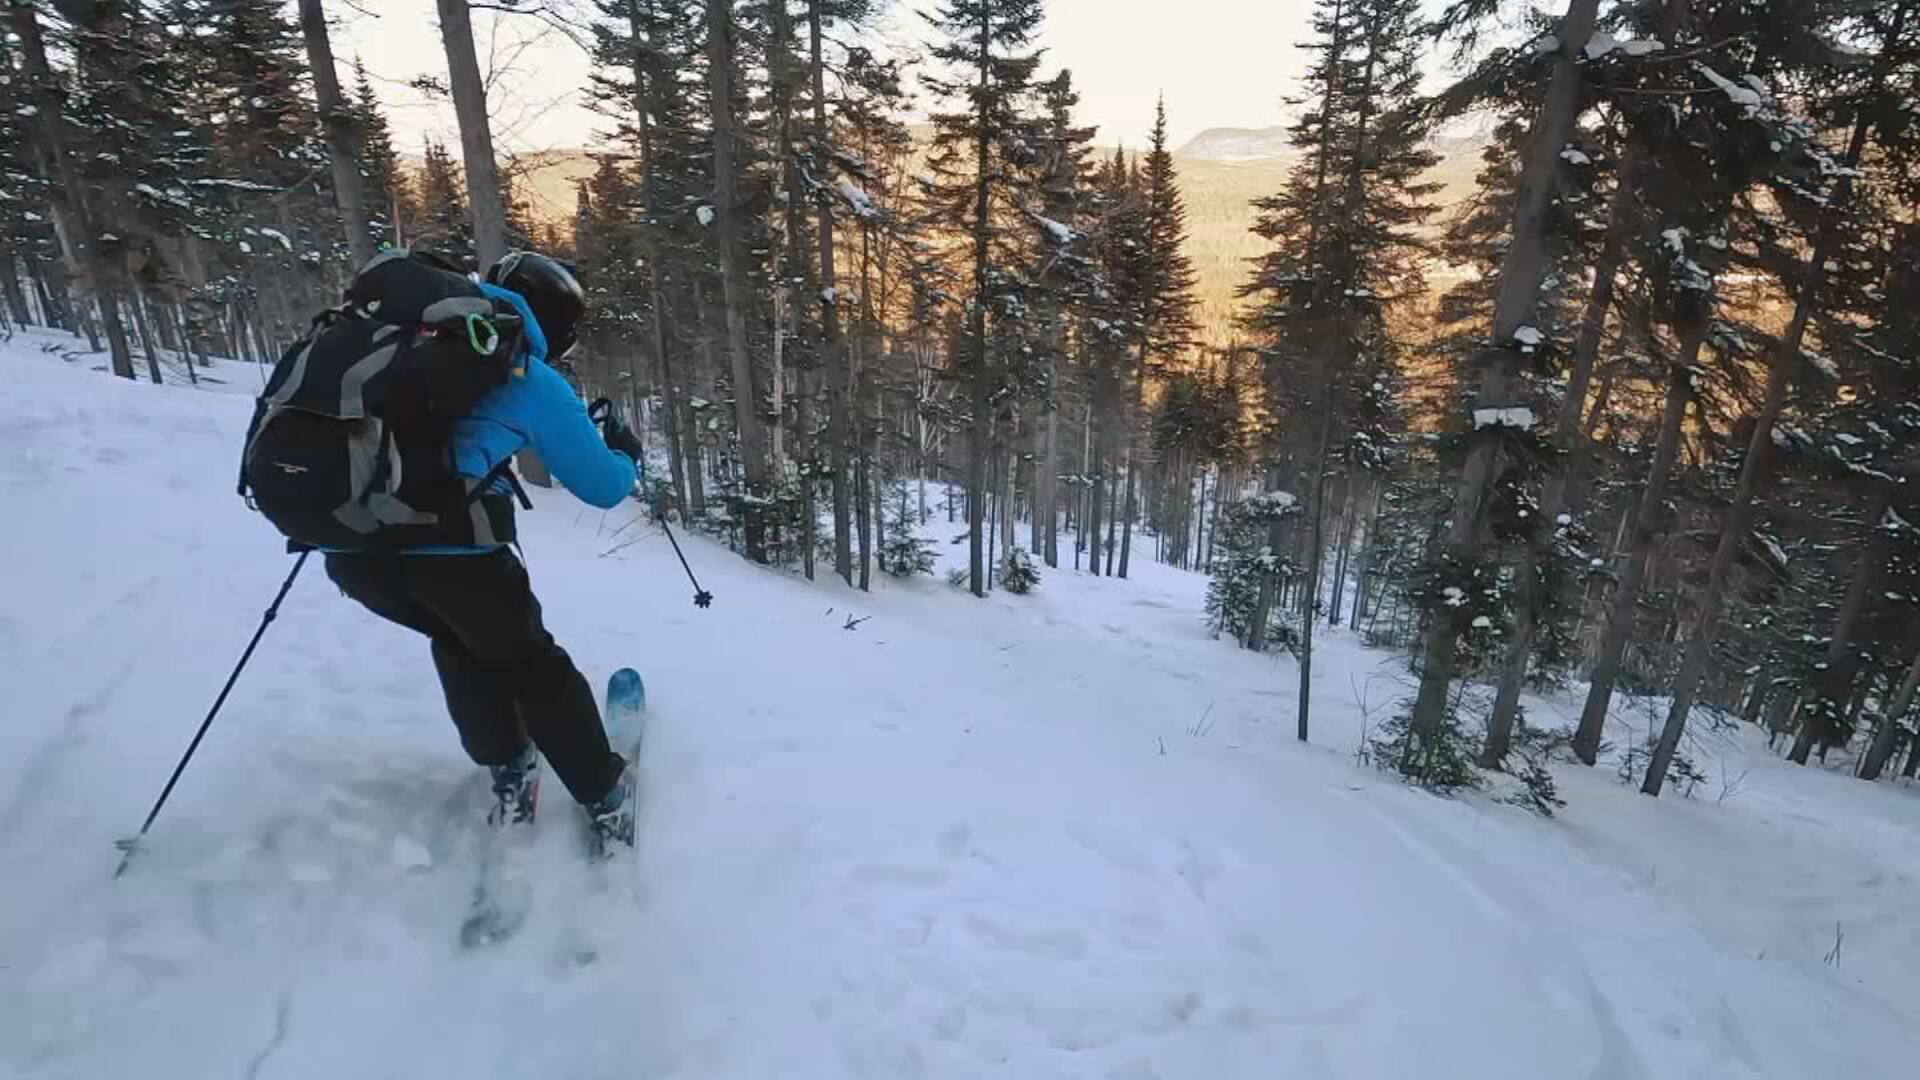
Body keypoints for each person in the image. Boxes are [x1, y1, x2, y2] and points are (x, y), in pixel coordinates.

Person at [318, 251, 647, 849]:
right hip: (455, 556)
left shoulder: (396, 342)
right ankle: (603, 794)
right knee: (535, 668)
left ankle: (510, 766)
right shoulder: (523, 373)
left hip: (352, 552)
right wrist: (627, 454)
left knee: (460, 643)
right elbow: (603, 486)